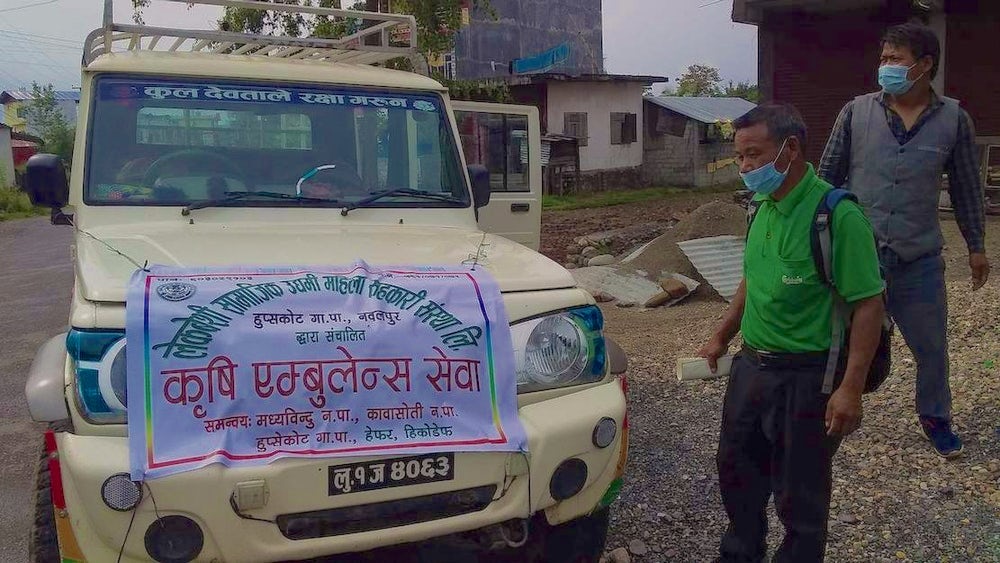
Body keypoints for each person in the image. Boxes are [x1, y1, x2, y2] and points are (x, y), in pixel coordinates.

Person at [700, 103, 886, 562]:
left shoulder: (837, 217)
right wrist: (723, 333)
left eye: (753, 155)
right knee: (736, 473)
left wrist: (850, 389)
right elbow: (753, 277)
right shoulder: (761, 206)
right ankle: (741, 553)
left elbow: (868, 304)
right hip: (751, 367)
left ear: (791, 149)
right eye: (739, 157)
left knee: (799, 496)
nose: (745, 167)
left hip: (808, 378)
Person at [818, 21, 990, 459]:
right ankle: (828, 409)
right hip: (860, 257)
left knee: (931, 346)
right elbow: (826, 180)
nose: (885, 67)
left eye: (895, 59)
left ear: (925, 65)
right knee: (837, 338)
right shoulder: (856, 112)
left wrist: (976, 247)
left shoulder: (954, 119)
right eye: (883, 59)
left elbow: (968, 187)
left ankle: (936, 418)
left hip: (919, 258)